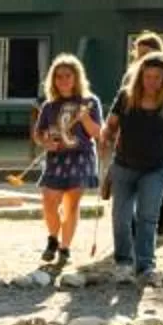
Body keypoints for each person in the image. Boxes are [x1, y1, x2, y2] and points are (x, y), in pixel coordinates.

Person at [99, 49, 163, 281]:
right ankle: (123, 262)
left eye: (157, 78)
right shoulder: (125, 98)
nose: (152, 82)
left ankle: (146, 266)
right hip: (124, 166)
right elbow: (110, 126)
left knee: (148, 217)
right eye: (148, 77)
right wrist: (106, 136)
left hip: (156, 168)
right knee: (121, 217)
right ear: (140, 76)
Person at [29, 55, 104, 266]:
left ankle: (65, 248)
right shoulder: (49, 106)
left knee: (71, 203)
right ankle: (53, 239)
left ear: (76, 77)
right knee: (49, 199)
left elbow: (98, 133)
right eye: (58, 76)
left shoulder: (90, 102)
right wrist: (46, 143)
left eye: (68, 76)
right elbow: (39, 133)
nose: (63, 80)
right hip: (56, 157)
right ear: (53, 80)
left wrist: (84, 118)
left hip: (81, 157)